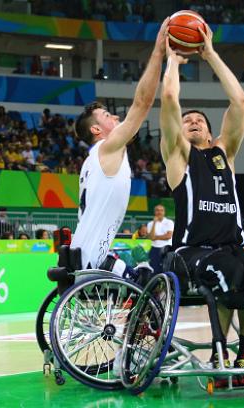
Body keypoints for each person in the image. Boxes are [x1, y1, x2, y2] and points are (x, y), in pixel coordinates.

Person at [160, 23, 244, 387]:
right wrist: (172, 61)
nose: (191, 122)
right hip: (192, 252)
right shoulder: (177, 154)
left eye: (198, 120)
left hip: (233, 247)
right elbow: (170, 101)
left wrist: (210, 55)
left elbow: (239, 102)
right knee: (227, 276)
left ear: (209, 131)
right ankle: (219, 357)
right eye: (187, 120)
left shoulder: (225, 152)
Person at [70, 18, 168, 271]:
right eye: (106, 116)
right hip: (95, 258)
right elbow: (142, 103)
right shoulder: (107, 147)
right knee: (149, 279)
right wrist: (158, 52)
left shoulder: (92, 160)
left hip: (82, 251)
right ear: (96, 130)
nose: (115, 117)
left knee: (140, 267)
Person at [147, 204, 174, 273]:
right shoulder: (150, 224)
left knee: (166, 269)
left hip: (166, 249)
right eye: (157, 210)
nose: (159, 212)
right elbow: (151, 237)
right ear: (154, 212)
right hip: (154, 249)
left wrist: (155, 237)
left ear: (164, 212)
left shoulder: (169, 222)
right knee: (154, 270)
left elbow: (168, 236)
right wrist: (154, 223)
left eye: (161, 210)